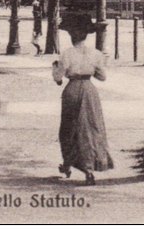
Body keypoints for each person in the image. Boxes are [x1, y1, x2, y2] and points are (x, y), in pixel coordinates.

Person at [52, 17, 114, 185]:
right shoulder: (95, 54)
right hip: (89, 90)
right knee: (90, 127)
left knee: (69, 128)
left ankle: (68, 163)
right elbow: (102, 77)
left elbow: (58, 77)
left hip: (72, 90)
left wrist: (55, 71)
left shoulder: (67, 53)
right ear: (86, 35)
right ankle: (90, 168)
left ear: (72, 36)